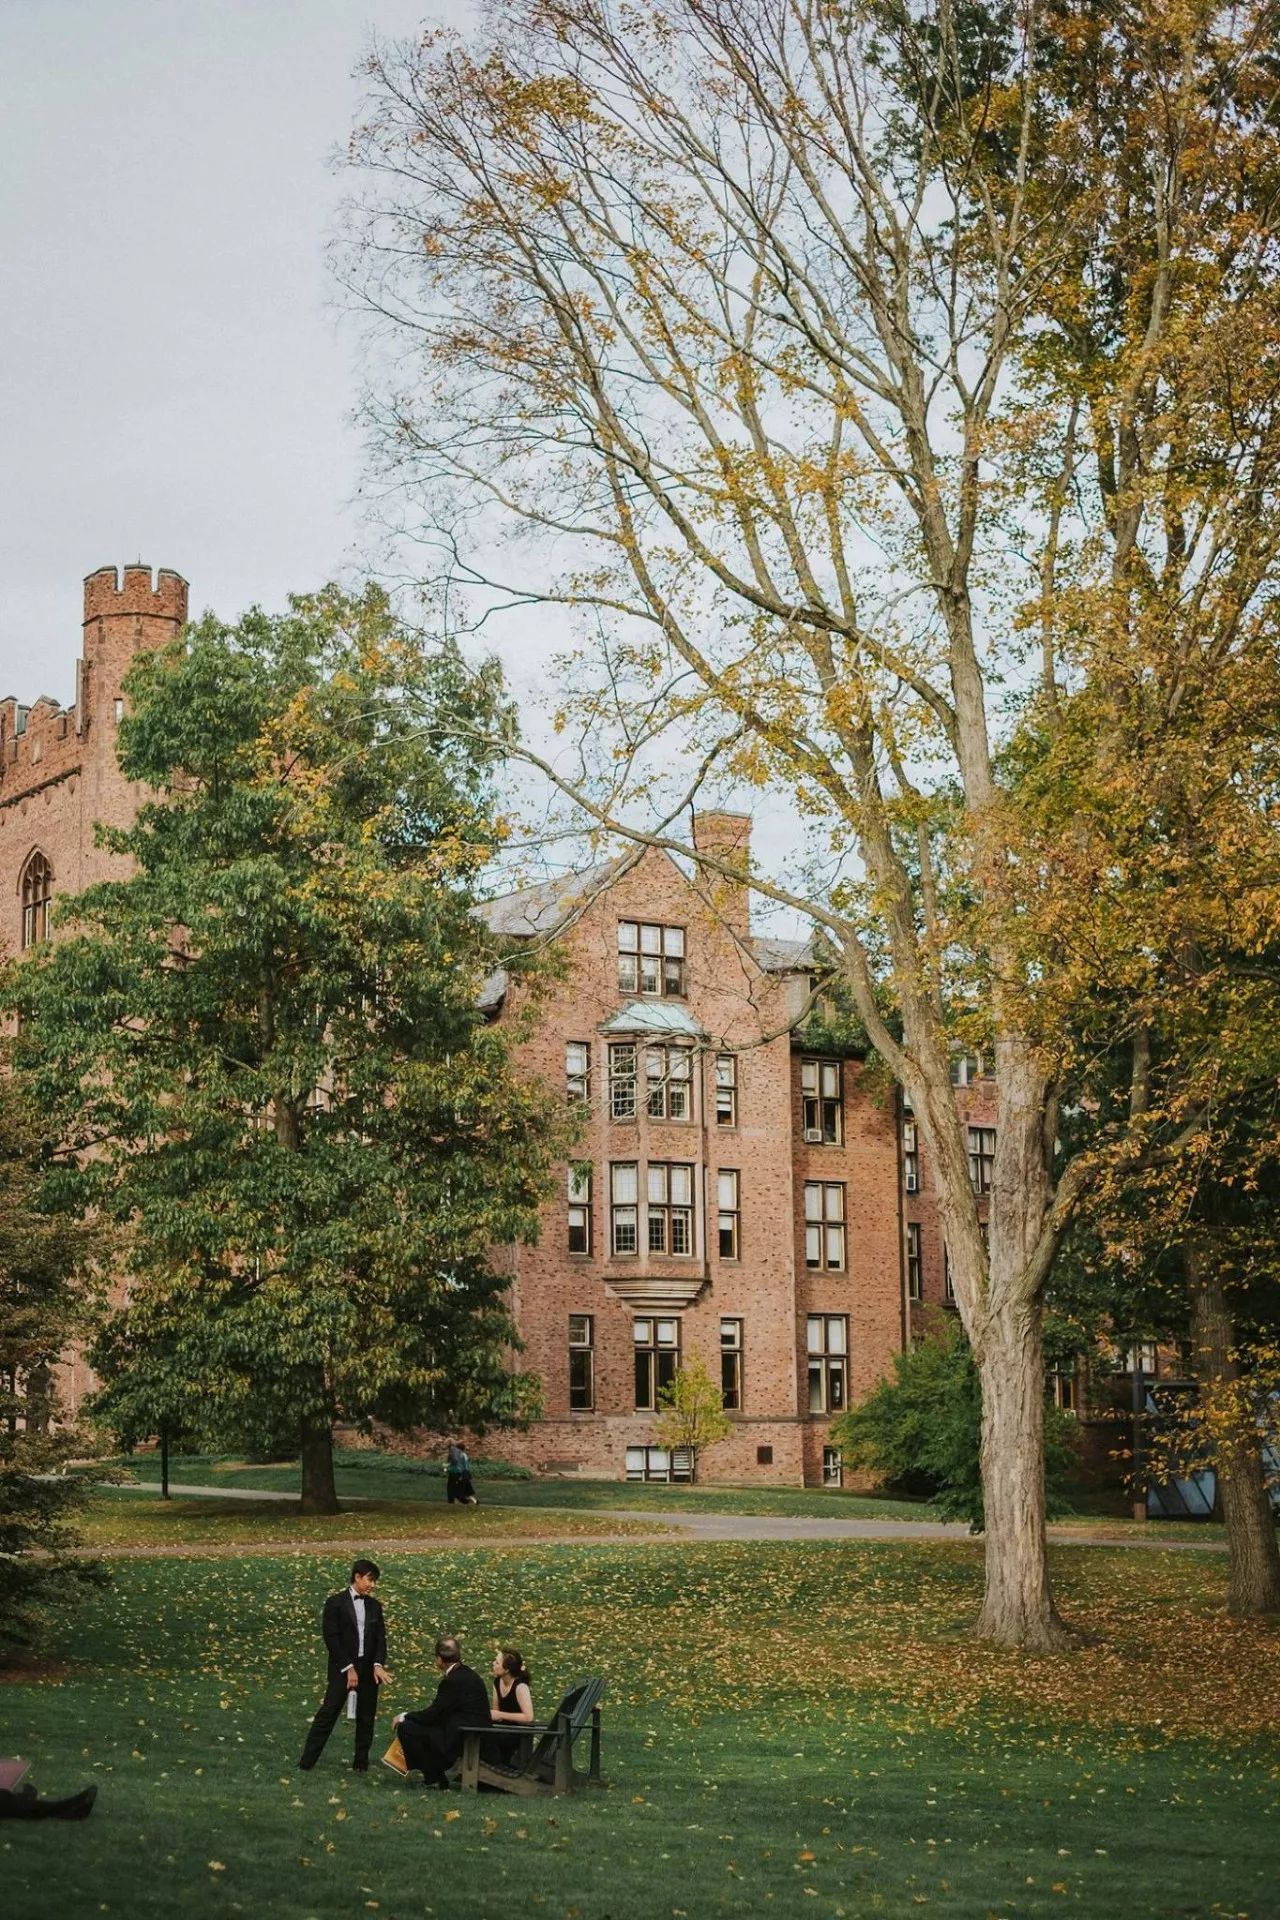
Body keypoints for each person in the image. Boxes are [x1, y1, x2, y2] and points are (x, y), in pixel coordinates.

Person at [298, 1558, 390, 1773]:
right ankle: (306, 1762)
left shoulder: (375, 1606)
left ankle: (361, 1764)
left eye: (375, 1581)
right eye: (370, 1580)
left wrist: (378, 1664)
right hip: (342, 1668)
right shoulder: (335, 1603)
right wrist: (348, 1667)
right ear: (357, 1577)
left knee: (366, 1717)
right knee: (328, 1713)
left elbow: (380, 1638)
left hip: (368, 1669)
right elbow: (331, 1638)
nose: (373, 1585)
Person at [393, 1636, 490, 1787]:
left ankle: (434, 1777)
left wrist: (404, 1716)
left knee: (407, 1728)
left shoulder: (452, 1681)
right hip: (467, 1728)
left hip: (461, 1734)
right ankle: (435, 1776)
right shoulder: (467, 1674)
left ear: (439, 1659)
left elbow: (434, 1713)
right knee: (413, 1726)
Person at [484, 1649, 535, 1767]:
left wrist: (500, 1715)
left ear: (506, 1669)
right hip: (503, 1728)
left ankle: (497, 1768)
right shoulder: (498, 1682)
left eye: (497, 1662)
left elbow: (528, 1717)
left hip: (518, 1733)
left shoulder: (520, 1686)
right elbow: (496, 1713)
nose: (493, 1664)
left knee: (486, 1738)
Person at [446, 1440, 478, 1505]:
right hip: (464, 1473)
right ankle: (474, 1502)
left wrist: (448, 1467)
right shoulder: (464, 1455)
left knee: (456, 1490)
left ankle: (464, 1502)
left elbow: (458, 1464)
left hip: (460, 1473)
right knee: (465, 1491)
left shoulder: (460, 1455)